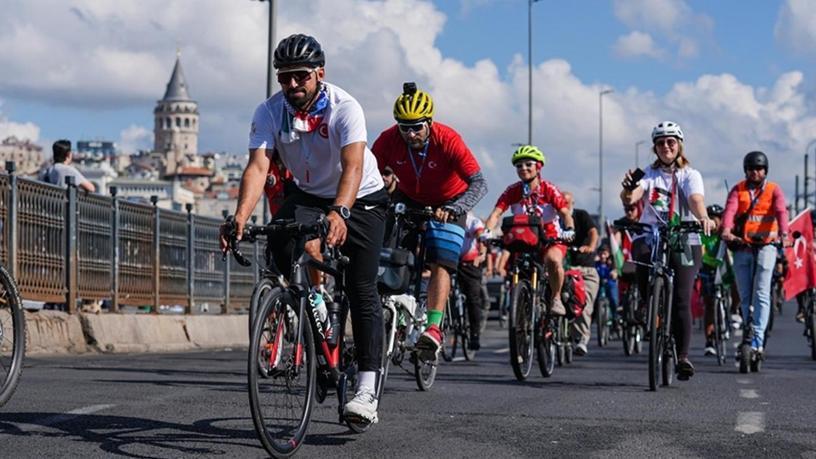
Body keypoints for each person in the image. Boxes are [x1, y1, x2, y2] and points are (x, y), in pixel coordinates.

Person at [222, 34, 387, 424]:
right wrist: (240, 217)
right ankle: (309, 307)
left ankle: (366, 389)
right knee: (280, 247)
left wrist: (341, 212)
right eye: (284, 77)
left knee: (361, 287)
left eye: (301, 76)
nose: (292, 84)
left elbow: (353, 167)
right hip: (310, 193)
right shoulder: (269, 111)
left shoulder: (345, 107)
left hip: (361, 196)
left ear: (319, 74)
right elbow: (258, 167)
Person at [372, 82, 487, 361]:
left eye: (417, 127)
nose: (410, 134)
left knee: (441, 260)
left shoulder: (448, 139)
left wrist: (455, 208)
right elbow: (367, 174)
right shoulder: (388, 139)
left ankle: (434, 328)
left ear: (429, 123)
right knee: (386, 251)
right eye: (404, 127)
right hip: (409, 196)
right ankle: (393, 308)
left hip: (450, 201)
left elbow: (479, 183)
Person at [620, 121, 715, 381]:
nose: (666, 147)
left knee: (682, 298)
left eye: (670, 142)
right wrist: (628, 188)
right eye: (660, 143)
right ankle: (648, 303)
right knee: (640, 254)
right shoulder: (648, 174)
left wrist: (703, 217)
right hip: (652, 234)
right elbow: (631, 198)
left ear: (679, 145)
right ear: (655, 148)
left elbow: (695, 199)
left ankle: (682, 357)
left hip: (684, 236)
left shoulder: (690, 174)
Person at [484, 145, 575, 317]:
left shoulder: (549, 189)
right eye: (519, 166)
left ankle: (556, 298)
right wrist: (487, 231)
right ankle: (521, 304)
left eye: (528, 164)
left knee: (553, 260)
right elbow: (496, 214)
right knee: (517, 267)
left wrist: (569, 229)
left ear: (538, 167)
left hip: (550, 238)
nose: (523, 168)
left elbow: (565, 213)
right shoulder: (512, 191)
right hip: (525, 239)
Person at [720, 151, 789, 360]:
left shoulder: (773, 189)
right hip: (743, 247)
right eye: (751, 169)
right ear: (746, 170)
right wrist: (726, 230)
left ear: (765, 170)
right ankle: (748, 329)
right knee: (745, 295)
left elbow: (781, 211)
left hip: (767, 246)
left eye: (759, 169)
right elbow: (730, 211)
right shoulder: (738, 189)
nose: (755, 172)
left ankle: (757, 341)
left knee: (761, 293)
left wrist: (784, 234)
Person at [562, 191, 599, 356]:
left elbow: (593, 232)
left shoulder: (581, 215)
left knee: (583, 304)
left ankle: (582, 339)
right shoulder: (555, 220)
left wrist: (590, 246)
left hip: (584, 270)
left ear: (572, 204)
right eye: (561, 202)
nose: (564, 206)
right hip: (563, 269)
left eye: (567, 202)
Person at [458, 211, 489, 350]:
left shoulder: (473, 221)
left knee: (473, 299)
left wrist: (481, 254)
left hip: (470, 264)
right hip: (453, 261)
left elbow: (480, 236)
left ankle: (474, 335)